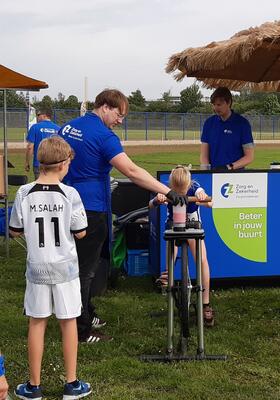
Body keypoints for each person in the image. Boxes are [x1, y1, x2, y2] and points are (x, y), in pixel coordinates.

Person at [59, 89, 186, 344]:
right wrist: (168, 191)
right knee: (85, 269)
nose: (120, 120)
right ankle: (81, 329)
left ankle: (84, 311)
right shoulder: (104, 136)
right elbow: (131, 170)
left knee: (75, 264)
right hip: (90, 209)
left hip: (65, 204)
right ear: (105, 106)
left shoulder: (68, 128)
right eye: (119, 114)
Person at [9, 136, 92, 400]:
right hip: (65, 269)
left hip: (37, 268)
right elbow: (81, 233)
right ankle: (71, 384)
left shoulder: (24, 192)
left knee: (37, 322)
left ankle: (34, 386)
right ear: (64, 164)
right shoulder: (70, 194)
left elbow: (14, 230)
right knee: (68, 322)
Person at [149, 165, 215, 326]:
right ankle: (168, 274)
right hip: (173, 225)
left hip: (193, 225)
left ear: (189, 184)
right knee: (171, 250)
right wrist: (158, 198)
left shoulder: (194, 187)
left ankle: (205, 303)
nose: (180, 193)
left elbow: (210, 203)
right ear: (171, 185)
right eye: (176, 190)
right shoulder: (166, 188)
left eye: (183, 190)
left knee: (202, 260)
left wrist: (203, 196)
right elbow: (151, 204)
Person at [200, 87, 254, 171]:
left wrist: (229, 167)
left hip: (235, 177)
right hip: (213, 175)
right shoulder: (209, 123)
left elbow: (249, 157)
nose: (215, 108)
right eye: (214, 105)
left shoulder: (243, 124)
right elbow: (204, 154)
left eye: (219, 105)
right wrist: (206, 169)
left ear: (229, 103)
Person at [25, 108, 60, 180]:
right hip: (55, 164)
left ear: (44, 116)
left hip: (39, 163)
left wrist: (27, 162)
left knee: (40, 188)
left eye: (38, 115)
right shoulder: (58, 129)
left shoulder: (35, 127)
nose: (37, 117)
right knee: (53, 187)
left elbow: (30, 147)